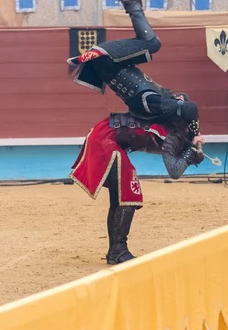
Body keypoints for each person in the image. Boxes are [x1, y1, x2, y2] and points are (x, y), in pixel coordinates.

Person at [69, 110, 205, 265]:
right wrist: (191, 150)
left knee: (119, 197)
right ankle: (118, 251)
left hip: (103, 135)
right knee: (128, 192)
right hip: (104, 139)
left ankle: (115, 252)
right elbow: (175, 171)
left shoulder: (168, 125)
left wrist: (191, 151)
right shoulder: (172, 134)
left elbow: (179, 157)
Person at [67, 0, 193, 122]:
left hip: (109, 62)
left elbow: (190, 109)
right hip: (111, 64)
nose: (177, 96)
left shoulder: (156, 102)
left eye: (179, 98)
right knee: (151, 43)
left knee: (153, 43)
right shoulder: (158, 100)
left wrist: (194, 132)